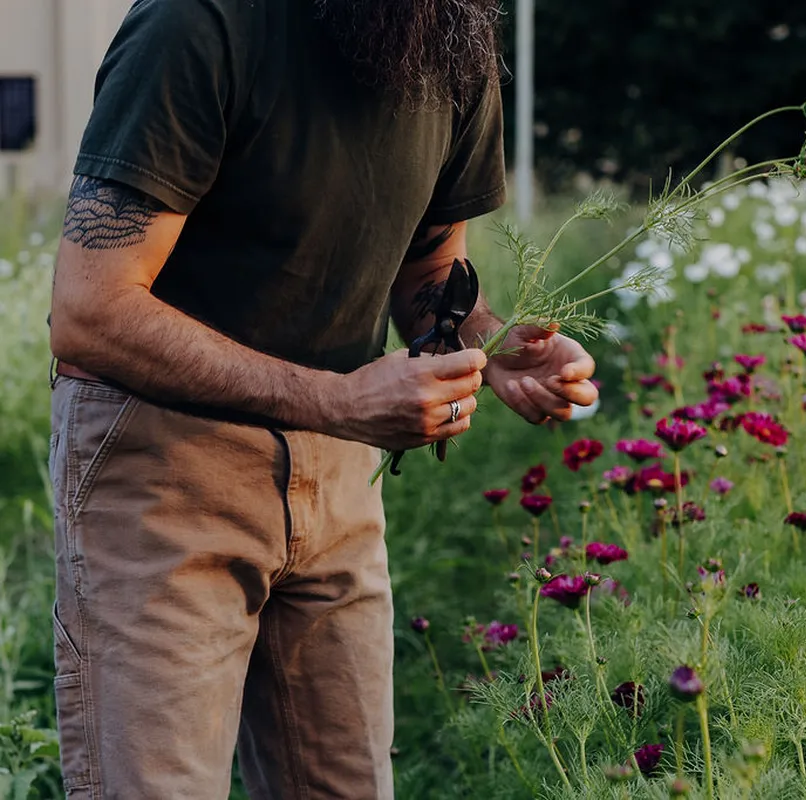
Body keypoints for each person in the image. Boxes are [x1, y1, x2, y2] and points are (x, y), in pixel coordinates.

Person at [45, 0, 598, 796]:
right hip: (162, 469)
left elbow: (429, 274)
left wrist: (495, 343)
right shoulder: (198, 24)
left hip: (340, 473)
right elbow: (91, 312)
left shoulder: (451, 38)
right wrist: (338, 401)